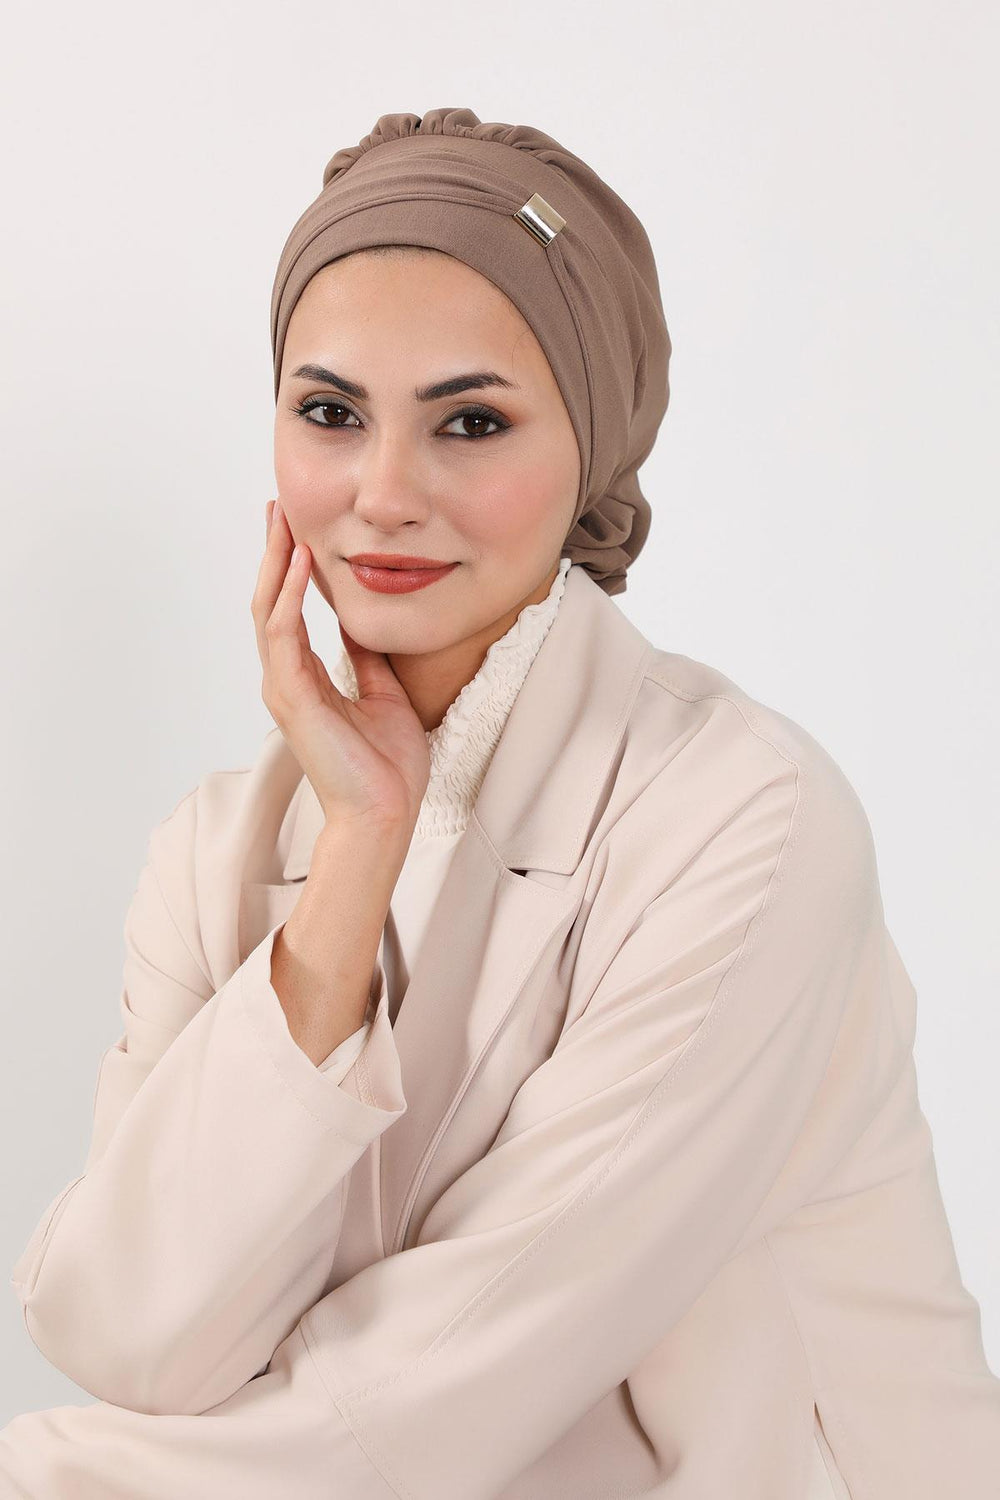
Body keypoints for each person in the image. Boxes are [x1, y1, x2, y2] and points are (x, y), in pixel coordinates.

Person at [2, 107, 998, 1499]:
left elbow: (440, 1393)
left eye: (471, 422)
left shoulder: (749, 823)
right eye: (330, 413)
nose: (384, 494)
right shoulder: (218, 853)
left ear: (591, 446)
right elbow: (131, 1338)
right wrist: (358, 852)